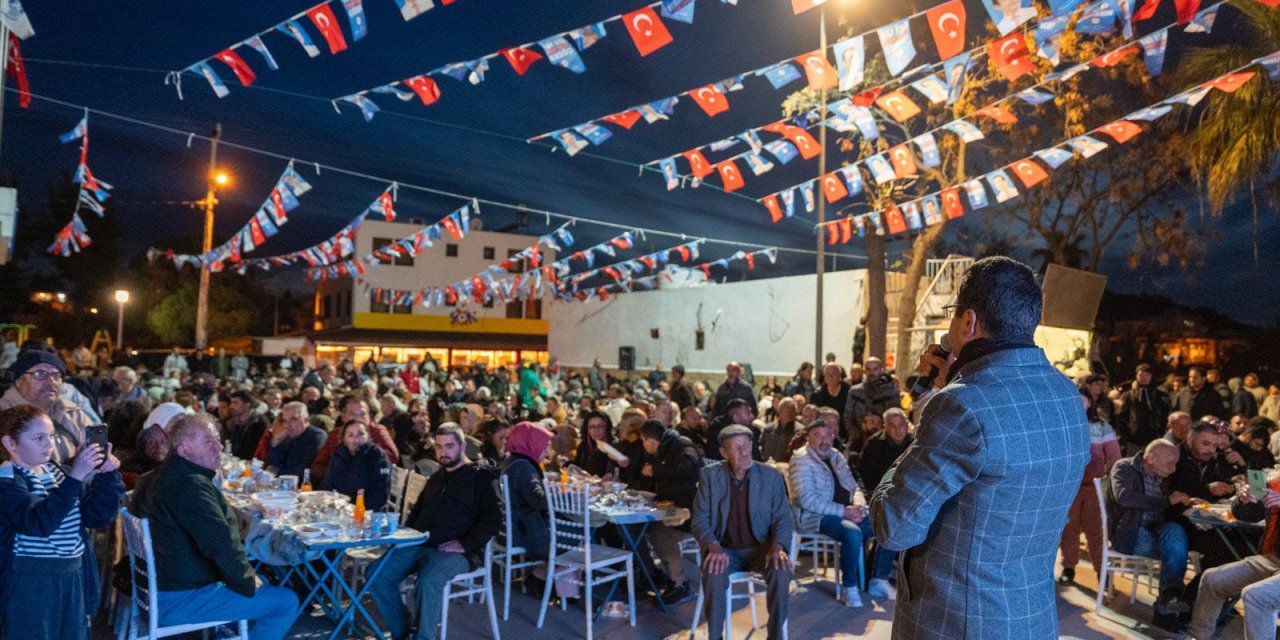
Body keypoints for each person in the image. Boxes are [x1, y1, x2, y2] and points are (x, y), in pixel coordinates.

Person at [870, 256, 1089, 640]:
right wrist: (953, 387)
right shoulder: (1066, 396)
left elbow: (895, 526)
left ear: (968, 322)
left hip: (955, 624)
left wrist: (919, 437)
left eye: (954, 314)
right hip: (1029, 619)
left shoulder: (959, 406)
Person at [133, 414, 299, 640]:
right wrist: (247, 579)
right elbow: (221, 545)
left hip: (156, 589)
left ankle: (223, 633)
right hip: (177, 598)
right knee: (285, 601)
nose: (218, 447)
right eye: (208, 441)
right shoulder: (190, 485)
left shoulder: (163, 475)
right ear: (183, 450)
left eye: (218, 440)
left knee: (264, 582)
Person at [0, 405, 123, 640]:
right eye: (39, 438)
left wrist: (107, 475)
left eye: (51, 436)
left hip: (72, 572)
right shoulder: (7, 480)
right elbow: (38, 523)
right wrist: (76, 477)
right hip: (31, 580)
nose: (50, 444)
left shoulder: (55, 472)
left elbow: (95, 517)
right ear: (10, 443)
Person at [370, 424, 500, 640]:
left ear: (462, 446)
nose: (443, 452)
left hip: (458, 551)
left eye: (449, 446)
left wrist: (465, 544)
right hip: (420, 543)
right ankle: (403, 631)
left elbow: (494, 520)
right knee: (376, 573)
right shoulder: (438, 476)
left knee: (428, 581)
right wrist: (406, 537)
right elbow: (417, 512)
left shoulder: (481, 477)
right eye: (439, 447)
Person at [691, 425, 793, 640]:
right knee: (714, 572)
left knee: (781, 571)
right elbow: (699, 519)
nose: (745, 452)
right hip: (725, 550)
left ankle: (775, 636)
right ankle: (715, 637)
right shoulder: (710, 476)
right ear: (723, 453)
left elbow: (783, 517)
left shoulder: (770, 476)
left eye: (748, 445)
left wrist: (778, 546)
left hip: (761, 549)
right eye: (737, 447)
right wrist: (713, 546)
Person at [790, 414, 896, 607]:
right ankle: (850, 587)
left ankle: (878, 579)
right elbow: (806, 500)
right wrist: (843, 511)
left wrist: (857, 506)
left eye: (828, 435)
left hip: (845, 511)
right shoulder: (801, 459)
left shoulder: (836, 455)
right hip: (815, 516)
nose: (824, 440)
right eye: (818, 435)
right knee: (852, 533)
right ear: (808, 438)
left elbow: (853, 486)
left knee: (888, 526)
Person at [1107, 439, 1192, 631]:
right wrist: (1166, 500)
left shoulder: (1162, 475)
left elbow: (1166, 507)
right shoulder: (1125, 468)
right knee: (1177, 551)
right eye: (1170, 463)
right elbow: (1124, 498)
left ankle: (1169, 596)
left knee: (1177, 534)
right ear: (1152, 457)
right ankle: (1167, 606)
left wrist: (1182, 502)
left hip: (1155, 529)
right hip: (1129, 532)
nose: (1173, 469)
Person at [1184, 488, 1280, 640]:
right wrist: (1244, 502)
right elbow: (1249, 515)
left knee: (1256, 596)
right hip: (1274, 559)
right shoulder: (1277, 484)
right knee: (1213, 580)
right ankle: (1197, 637)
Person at [1057, 390, 1122, 585]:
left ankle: (1102, 572)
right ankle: (1068, 567)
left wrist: (1111, 480)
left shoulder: (1101, 427)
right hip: (1070, 485)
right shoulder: (1063, 425)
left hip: (1094, 486)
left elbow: (1114, 456)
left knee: (1095, 530)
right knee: (1069, 528)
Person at [639, 419, 702, 604]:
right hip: (677, 505)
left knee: (659, 532)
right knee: (647, 527)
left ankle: (679, 583)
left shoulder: (682, 444)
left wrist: (655, 470)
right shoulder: (667, 448)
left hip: (692, 510)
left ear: (650, 441)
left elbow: (686, 467)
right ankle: (652, 574)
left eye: (643, 441)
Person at [0, 350, 94, 463]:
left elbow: (96, 456)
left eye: (56, 376)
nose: (51, 382)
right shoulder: (4, 415)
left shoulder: (73, 414)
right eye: (40, 374)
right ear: (19, 381)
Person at [500, 421, 555, 559]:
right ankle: (545, 576)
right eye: (545, 446)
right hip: (527, 536)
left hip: (507, 530)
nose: (547, 451)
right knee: (583, 539)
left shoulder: (511, 460)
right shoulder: (524, 467)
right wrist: (563, 493)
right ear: (532, 443)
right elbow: (540, 501)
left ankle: (542, 575)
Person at [311, 395, 398, 481]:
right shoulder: (335, 434)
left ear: (369, 417)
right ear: (343, 417)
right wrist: (335, 472)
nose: (358, 418)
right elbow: (317, 466)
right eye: (353, 414)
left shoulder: (377, 431)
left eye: (362, 414)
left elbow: (392, 457)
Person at [321, 420, 390, 511]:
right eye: (350, 435)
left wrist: (351, 507)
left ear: (368, 435)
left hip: (367, 512)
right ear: (344, 440)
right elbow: (327, 485)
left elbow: (379, 495)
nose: (356, 439)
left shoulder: (378, 456)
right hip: (338, 509)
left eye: (360, 434)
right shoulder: (339, 454)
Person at [843, 357, 900, 443]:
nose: (871, 372)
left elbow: (896, 415)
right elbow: (848, 416)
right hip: (859, 437)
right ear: (864, 371)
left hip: (884, 438)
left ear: (881, 370)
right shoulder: (854, 391)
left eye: (875, 369)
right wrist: (855, 435)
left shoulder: (890, 392)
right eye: (868, 369)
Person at [857, 407, 913, 491]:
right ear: (885, 427)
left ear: (907, 424)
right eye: (892, 426)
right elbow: (866, 475)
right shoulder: (873, 444)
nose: (898, 430)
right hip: (882, 491)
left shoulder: (916, 442)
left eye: (901, 424)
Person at [266, 402, 326, 478]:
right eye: (285, 420)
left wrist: (277, 471)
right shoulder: (286, 435)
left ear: (306, 420)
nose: (287, 425)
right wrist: (275, 445)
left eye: (293, 419)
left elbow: (304, 471)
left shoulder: (317, 436)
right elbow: (272, 465)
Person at [1125, 364, 1171, 452]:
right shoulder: (1129, 395)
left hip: (1153, 438)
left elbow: (1165, 415)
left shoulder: (1160, 396)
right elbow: (1124, 416)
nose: (1143, 378)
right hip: (1134, 439)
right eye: (1141, 375)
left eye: (1147, 375)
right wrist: (1127, 433)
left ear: (1151, 376)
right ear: (1136, 376)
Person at [223, 390, 270, 461]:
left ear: (248, 404)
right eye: (231, 403)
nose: (231, 406)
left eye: (235, 403)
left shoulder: (261, 423)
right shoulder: (233, 422)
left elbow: (261, 451)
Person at [573, 410, 616, 478]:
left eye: (600, 426)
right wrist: (566, 463)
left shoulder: (614, 445)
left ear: (607, 427)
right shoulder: (584, 445)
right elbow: (577, 465)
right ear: (587, 429)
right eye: (592, 427)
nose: (596, 430)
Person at [807, 363, 850, 429]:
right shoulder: (817, 394)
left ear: (840, 376)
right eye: (827, 374)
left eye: (834, 373)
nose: (830, 377)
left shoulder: (850, 392)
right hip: (824, 431)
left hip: (846, 431)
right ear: (824, 377)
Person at [759, 397, 800, 463]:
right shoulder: (769, 429)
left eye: (792, 408)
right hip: (767, 467)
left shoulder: (799, 431)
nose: (790, 411)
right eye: (787, 408)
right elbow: (761, 446)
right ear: (779, 410)